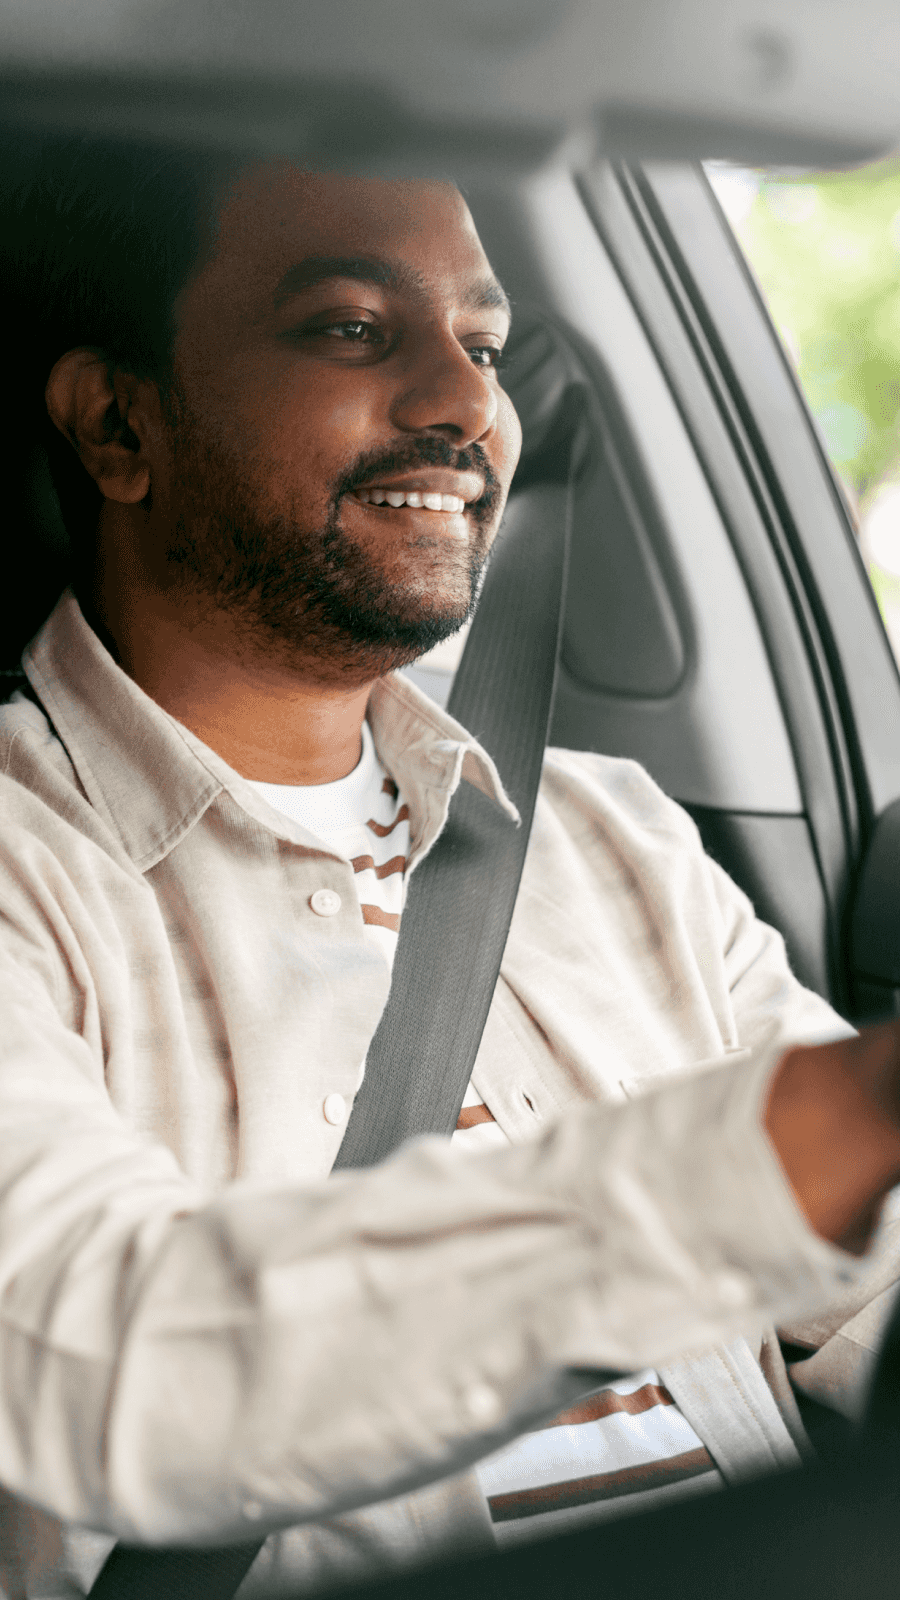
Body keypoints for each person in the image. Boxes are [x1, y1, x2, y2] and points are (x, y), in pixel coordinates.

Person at [0, 135, 899, 1599]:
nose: (465, 402)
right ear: (118, 424)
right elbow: (97, 1367)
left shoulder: (613, 836)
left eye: (484, 345)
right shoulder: (25, 879)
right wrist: (793, 1148)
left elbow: (874, 1285)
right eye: (352, 328)